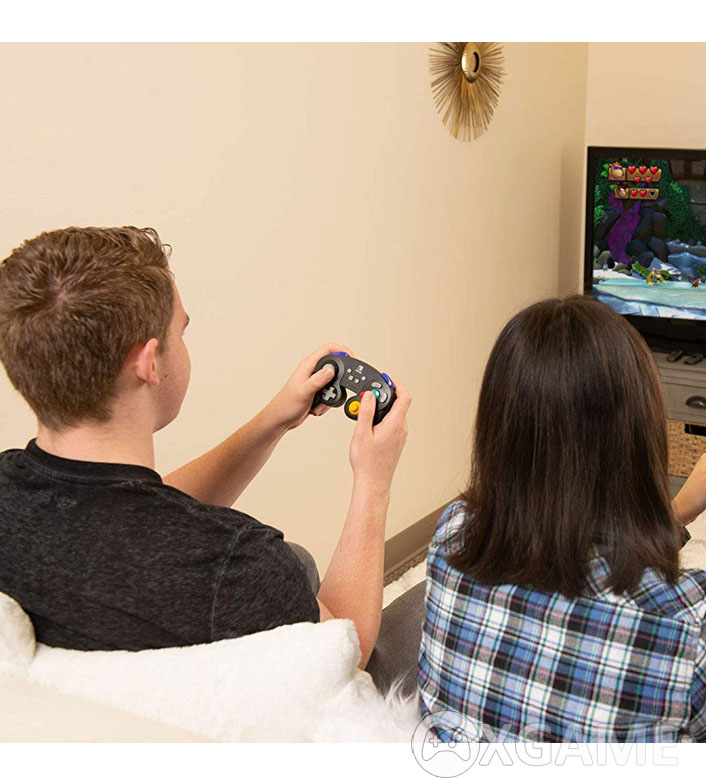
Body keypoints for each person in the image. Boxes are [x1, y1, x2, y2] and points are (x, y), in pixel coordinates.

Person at [416, 295, 706, 742]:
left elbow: (583, 565)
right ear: (638, 431)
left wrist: (674, 512)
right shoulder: (697, 625)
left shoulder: (454, 535)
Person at [0, 226, 411, 668]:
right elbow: (345, 654)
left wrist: (272, 422)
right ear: (149, 363)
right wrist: (373, 482)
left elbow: (133, 517)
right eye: (181, 331)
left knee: (297, 564)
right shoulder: (234, 564)